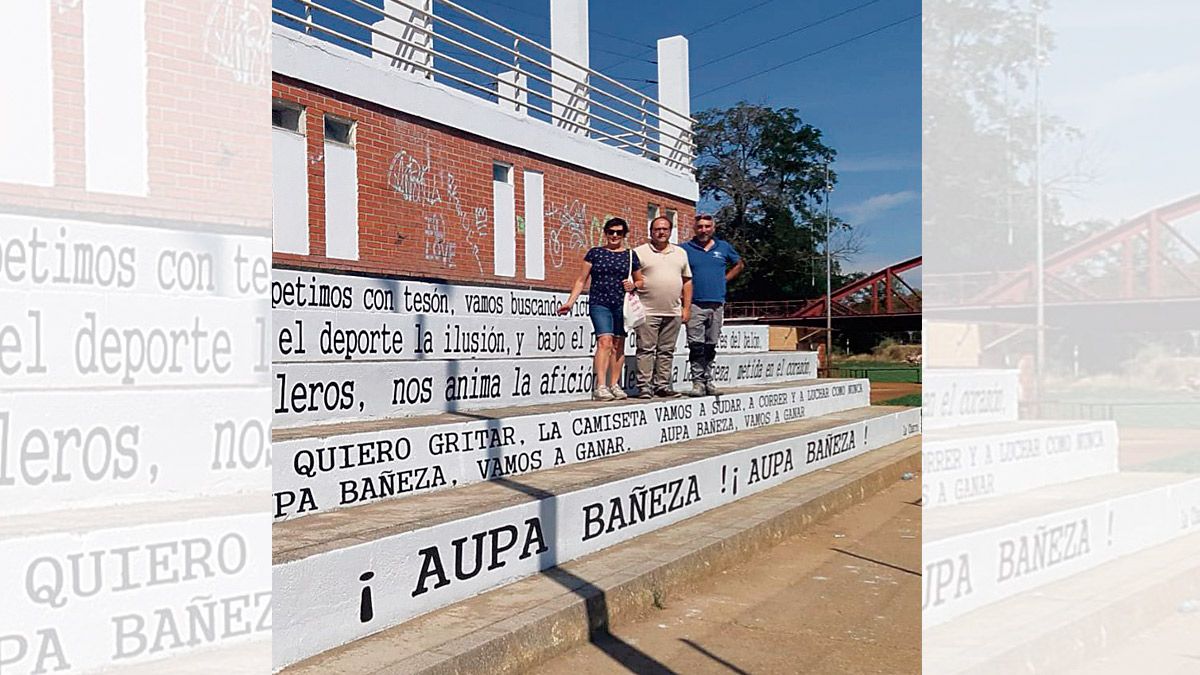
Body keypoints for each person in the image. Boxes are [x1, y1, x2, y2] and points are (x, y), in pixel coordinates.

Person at [558, 218, 644, 401]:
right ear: (605, 233)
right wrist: (570, 302)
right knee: (605, 340)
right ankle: (601, 386)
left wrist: (633, 285)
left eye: (619, 232)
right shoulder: (595, 253)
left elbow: (641, 280)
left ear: (624, 235)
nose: (614, 235)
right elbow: (581, 279)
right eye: (611, 232)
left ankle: (615, 383)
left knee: (618, 344)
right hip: (599, 302)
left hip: (622, 304)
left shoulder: (630, 255)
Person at [681, 213, 744, 396]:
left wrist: (724, 280)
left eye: (707, 226)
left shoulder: (723, 247)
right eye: (700, 226)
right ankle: (697, 382)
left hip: (717, 302)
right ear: (695, 228)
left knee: (710, 344)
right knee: (696, 344)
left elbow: (739, 264)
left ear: (713, 228)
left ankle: (708, 379)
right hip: (694, 303)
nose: (704, 230)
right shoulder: (685, 249)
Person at [632, 216, 692, 398]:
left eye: (665, 229)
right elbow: (632, 279)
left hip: (673, 310)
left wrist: (686, 308)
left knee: (666, 351)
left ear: (670, 231)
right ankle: (644, 386)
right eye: (657, 229)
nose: (661, 232)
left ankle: (662, 386)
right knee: (646, 349)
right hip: (647, 310)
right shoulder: (639, 252)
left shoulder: (680, 253)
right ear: (651, 231)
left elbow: (687, 281)